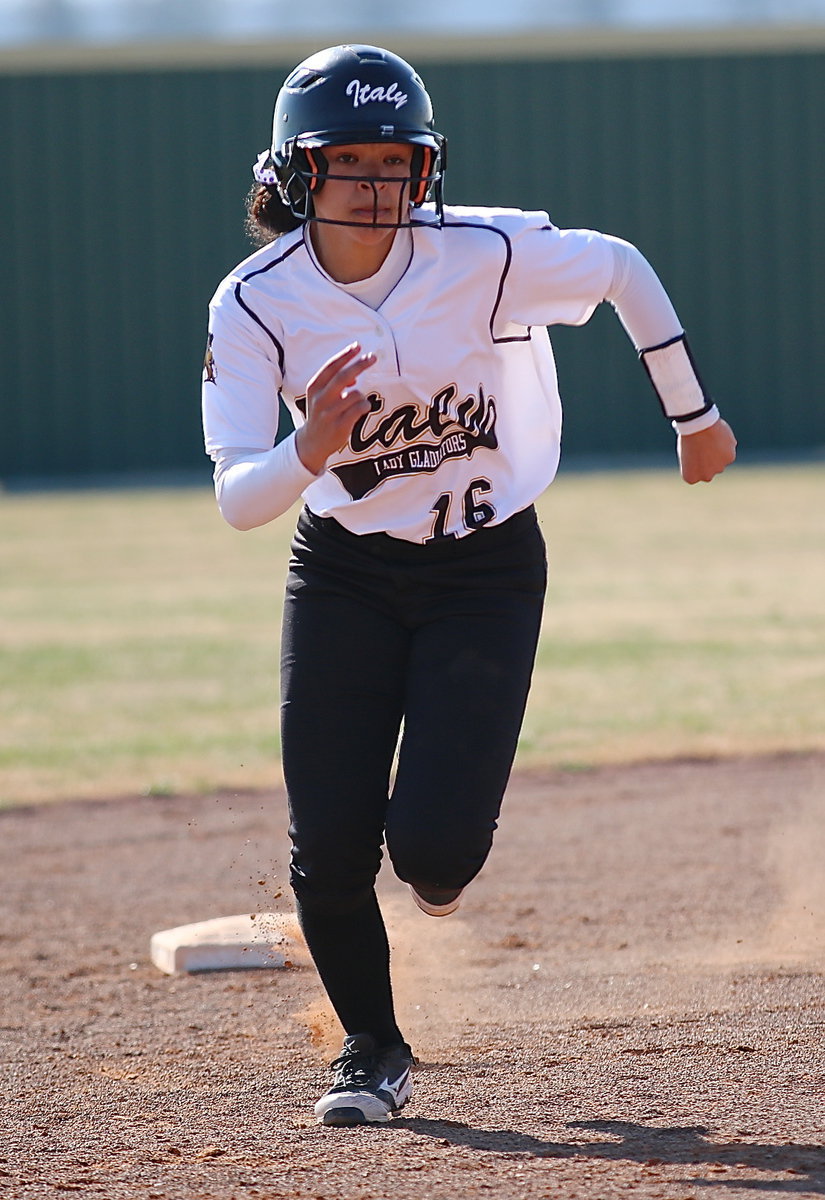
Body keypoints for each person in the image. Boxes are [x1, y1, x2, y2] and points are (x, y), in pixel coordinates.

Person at [201, 43, 737, 1128]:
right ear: (296, 175)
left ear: (426, 168)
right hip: (344, 572)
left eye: (394, 161)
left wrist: (694, 414)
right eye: (346, 161)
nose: (375, 184)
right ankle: (373, 1049)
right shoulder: (256, 302)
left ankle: (438, 865)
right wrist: (310, 449)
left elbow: (623, 267)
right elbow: (238, 498)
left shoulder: (485, 252)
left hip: (485, 570)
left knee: (434, 855)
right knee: (330, 847)